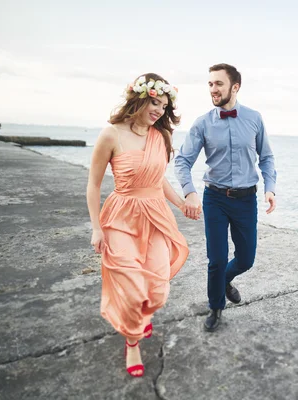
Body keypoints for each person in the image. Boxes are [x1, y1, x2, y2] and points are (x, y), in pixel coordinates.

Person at [86, 73, 190, 377]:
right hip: (121, 217)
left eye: (163, 106)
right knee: (132, 288)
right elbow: (93, 186)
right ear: (140, 99)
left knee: (158, 289)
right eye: (154, 103)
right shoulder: (111, 135)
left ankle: (143, 317)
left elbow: (157, 178)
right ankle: (132, 342)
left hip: (156, 216)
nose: (158, 110)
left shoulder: (160, 137)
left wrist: (181, 203)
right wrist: (96, 227)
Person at [175, 63, 277, 332]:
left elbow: (266, 157)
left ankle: (224, 281)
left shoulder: (254, 119)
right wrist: (190, 192)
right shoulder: (202, 123)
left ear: (235, 87)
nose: (213, 89)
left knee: (246, 259)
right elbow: (182, 161)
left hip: (245, 200)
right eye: (210, 84)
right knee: (217, 259)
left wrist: (270, 187)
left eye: (218, 83)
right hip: (215, 199)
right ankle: (216, 307)